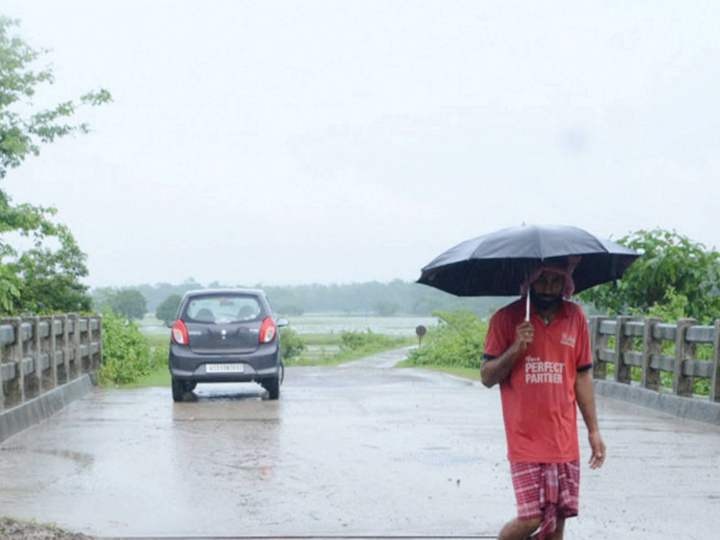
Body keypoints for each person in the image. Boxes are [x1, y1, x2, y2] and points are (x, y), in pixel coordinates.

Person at [481, 259, 606, 540]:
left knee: (557, 522)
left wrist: (594, 431)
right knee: (531, 518)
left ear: (566, 283)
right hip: (525, 439)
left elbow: (582, 376)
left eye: (556, 281)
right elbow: (487, 377)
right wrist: (516, 348)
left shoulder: (575, 317)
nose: (549, 288)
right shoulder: (506, 319)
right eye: (542, 280)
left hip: (563, 439)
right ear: (529, 281)